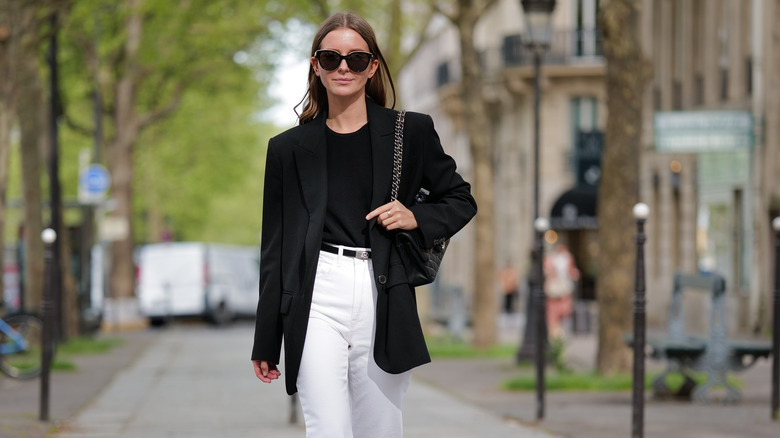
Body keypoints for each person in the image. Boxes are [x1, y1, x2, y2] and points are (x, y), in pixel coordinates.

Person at [251, 12, 477, 438]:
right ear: (315, 65)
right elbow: (275, 248)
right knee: (327, 428)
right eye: (331, 57)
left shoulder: (410, 132)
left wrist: (415, 216)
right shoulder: (286, 149)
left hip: (384, 291)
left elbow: (461, 199)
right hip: (316, 292)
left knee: (380, 429)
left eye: (356, 59)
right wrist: (266, 338)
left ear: (372, 66)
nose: (343, 67)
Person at [543, 243, 579, 339]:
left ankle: (556, 336)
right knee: (555, 317)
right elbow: (572, 273)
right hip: (558, 292)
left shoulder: (559, 259)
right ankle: (556, 337)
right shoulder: (555, 259)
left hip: (560, 292)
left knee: (555, 317)